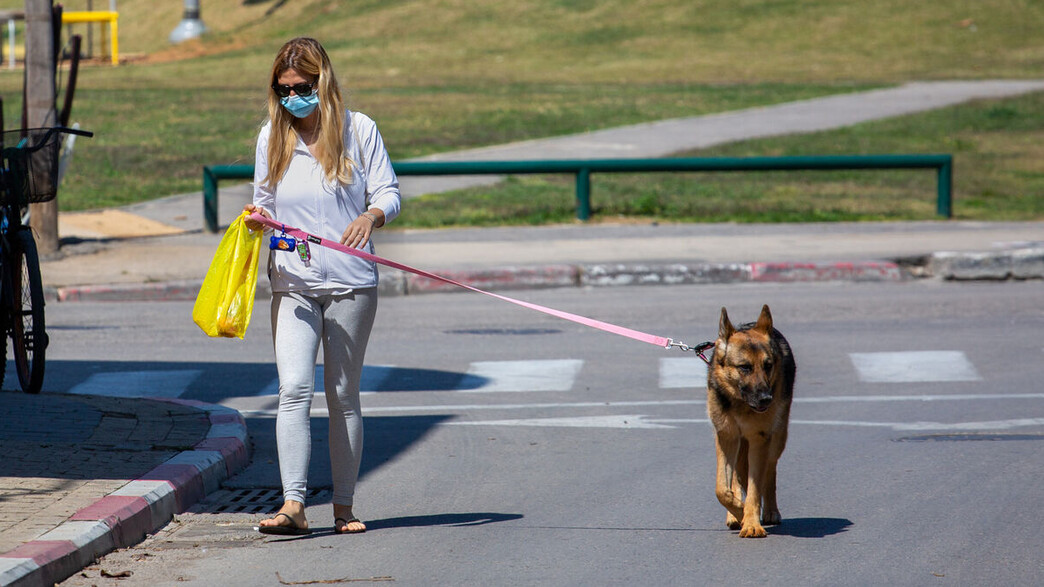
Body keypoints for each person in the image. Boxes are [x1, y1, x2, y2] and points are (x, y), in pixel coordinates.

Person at [244, 37, 401, 536]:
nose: (293, 97)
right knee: (292, 388)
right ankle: (293, 504)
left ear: (322, 82)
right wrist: (259, 219)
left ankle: (344, 507)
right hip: (292, 280)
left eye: (302, 87)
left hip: (351, 282)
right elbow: (262, 199)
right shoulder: (272, 136)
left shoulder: (360, 130)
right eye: (283, 88)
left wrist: (371, 216)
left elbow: (389, 192)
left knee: (341, 393)